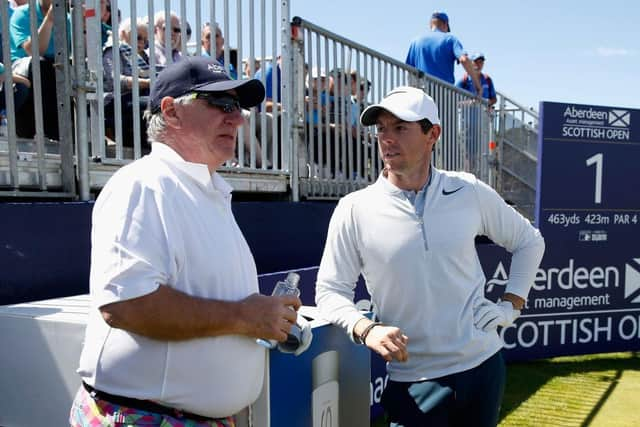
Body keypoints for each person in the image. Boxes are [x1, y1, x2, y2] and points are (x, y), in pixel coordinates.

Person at [69, 56, 311, 426]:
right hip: (145, 416)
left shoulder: (202, 189)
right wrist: (246, 317)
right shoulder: (144, 184)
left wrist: (264, 318)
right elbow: (124, 305)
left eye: (239, 106)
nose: (239, 117)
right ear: (171, 111)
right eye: (221, 104)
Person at [315, 86, 545, 426]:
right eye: (381, 129)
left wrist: (510, 305)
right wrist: (366, 329)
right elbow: (329, 292)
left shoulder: (468, 190)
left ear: (432, 134)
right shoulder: (354, 208)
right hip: (413, 380)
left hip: (483, 366)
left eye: (400, 128)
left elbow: (530, 241)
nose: (386, 139)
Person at [9, 0, 69, 139]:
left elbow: (69, 54)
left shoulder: (67, 18)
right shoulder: (22, 13)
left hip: (53, 68)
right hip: (23, 69)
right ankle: (50, 133)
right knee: (41, 65)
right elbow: (34, 51)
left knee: (67, 71)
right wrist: (49, 20)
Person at [405, 12, 482, 97]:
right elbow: (464, 59)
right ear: (445, 24)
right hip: (444, 94)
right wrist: (478, 86)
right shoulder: (450, 39)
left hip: (421, 94)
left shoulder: (416, 41)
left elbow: (409, 70)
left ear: (431, 24)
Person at [102, 17, 151, 149]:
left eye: (145, 41)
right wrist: (146, 83)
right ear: (123, 34)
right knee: (152, 103)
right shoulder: (113, 50)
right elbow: (114, 80)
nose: (141, 43)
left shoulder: (143, 57)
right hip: (116, 100)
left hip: (136, 99)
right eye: (138, 37)